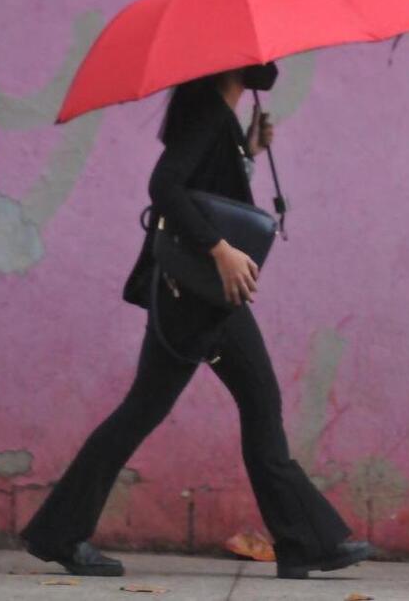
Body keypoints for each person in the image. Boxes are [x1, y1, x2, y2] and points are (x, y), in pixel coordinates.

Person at [19, 64, 372, 580]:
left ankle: (58, 533)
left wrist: (246, 152)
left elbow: (204, 187)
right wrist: (220, 249)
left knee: (154, 409)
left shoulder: (218, 116)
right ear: (234, 65)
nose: (271, 65)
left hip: (195, 295)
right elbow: (165, 186)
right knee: (254, 404)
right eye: (260, 57)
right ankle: (305, 540)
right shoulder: (209, 112)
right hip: (202, 294)